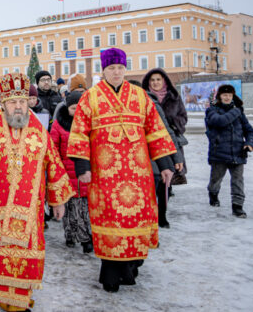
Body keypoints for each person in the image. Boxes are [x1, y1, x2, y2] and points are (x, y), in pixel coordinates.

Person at [0, 73, 74, 312]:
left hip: (31, 208)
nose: (18, 106)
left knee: (25, 253)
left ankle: (21, 296)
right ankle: (3, 295)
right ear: (3, 103)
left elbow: (54, 163)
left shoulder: (39, 130)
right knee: (0, 252)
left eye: (22, 101)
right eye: (12, 102)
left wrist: (57, 200)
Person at [67, 48, 177, 293]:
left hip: (138, 174)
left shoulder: (140, 95)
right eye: (111, 68)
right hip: (104, 173)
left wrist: (166, 165)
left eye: (120, 68)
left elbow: (156, 130)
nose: (116, 72)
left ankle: (131, 266)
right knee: (111, 220)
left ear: (125, 69)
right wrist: (82, 167)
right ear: (103, 70)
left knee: (134, 219)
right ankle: (111, 274)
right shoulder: (90, 97)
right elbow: (79, 133)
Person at [49, 90, 93, 253]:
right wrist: (58, 168)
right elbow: (53, 146)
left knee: (83, 208)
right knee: (69, 207)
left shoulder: (88, 123)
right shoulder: (59, 124)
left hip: (84, 171)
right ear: (67, 108)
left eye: (79, 108)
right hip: (66, 171)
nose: (76, 111)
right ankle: (70, 234)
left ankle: (86, 238)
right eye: (73, 108)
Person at [205, 84, 253, 218]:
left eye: (229, 95)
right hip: (219, 154)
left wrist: (249, 144)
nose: (227, 97)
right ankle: (213, 193)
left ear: (233, 96)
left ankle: (237, 207)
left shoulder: (239, 113)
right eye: (224, 95)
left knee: (237, 181)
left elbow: (250, 131)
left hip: (238, 153)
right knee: (215, 180)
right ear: (219, 96)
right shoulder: (212, 111)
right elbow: (220, 121)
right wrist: (237, 110)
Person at [142, 69, 188, 182]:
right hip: (154, 139)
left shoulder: (174, 97)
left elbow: (183, 117)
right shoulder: (144, 97)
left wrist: (173, 123)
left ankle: (170, 186)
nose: (155, 82)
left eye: (158, 80)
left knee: (173, 169)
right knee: (157, 171)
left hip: (171, 138)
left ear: (164, 81)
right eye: (152, 80)